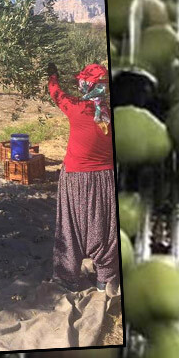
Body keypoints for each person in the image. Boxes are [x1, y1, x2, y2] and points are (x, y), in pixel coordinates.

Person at [46, 61, 118, 297]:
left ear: (85, 85)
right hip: (106, 177)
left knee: (71, 226)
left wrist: (53, 75)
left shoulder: (76, 107)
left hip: (76, 177)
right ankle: (104, 280)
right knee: (106, 228)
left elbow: (55, 93)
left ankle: (68, 277)